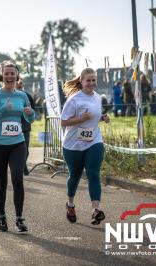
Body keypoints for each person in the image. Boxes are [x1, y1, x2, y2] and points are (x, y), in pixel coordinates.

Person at [0, 60, 35, 232]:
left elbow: (30, 119)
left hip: (18, 144)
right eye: (7, 73)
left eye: (13, 73)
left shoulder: (22, 96)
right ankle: (2, 216)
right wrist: (2, 110)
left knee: (18, 178)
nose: (10, 76)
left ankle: (19, 219)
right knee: (1, 182)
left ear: (17, 76)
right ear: (1, 76)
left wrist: (31, 113)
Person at [60, 68, 110, 225]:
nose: (91, 83)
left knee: (94, 174)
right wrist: (81, 118)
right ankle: (70, 204)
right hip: (73, 144)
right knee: (74, 176)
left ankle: (96, 211)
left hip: (94, 141)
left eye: (94, 80)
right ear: (81, 81)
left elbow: (93, 117)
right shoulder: (74, 99)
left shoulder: (96, 97)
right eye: (88, 80)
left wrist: (102, 117)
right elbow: (64, 121)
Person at [16, 78, 35, 175]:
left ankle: (23, 165)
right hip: (14, 127)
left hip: (25, 126)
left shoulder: (27, 96)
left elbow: (33, 110)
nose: (19, 84)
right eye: (18, 82)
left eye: (21, 83)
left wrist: (30, 112)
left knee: (26, 150)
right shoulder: (10, 96)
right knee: (15, 150)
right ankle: (21, 167)